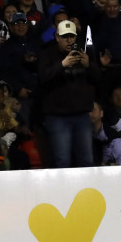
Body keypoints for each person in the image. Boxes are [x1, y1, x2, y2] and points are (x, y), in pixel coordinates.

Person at [37, 19, 101, 168]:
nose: (68, 40)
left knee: (86, 160)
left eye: (71, 36)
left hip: (81, 115)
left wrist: (88, 65)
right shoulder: (47, 54)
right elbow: (43, 78)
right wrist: (62, 65)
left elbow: (98, 79)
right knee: (62, 160)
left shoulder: (83, 54)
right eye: (64, 37)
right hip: (57, 116)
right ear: (57, 37)